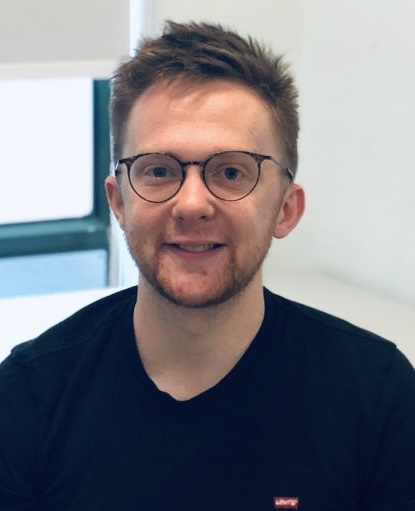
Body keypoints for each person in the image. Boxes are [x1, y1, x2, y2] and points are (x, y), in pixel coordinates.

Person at [1, 21, 414, 511]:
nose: (192, 204)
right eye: (158, 170)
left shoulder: (377, 398)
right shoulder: (29, 396)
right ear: (118, 203)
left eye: (232, 171)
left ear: (286, 209)